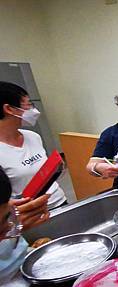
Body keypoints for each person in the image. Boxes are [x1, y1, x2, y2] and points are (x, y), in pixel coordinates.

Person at [0, 81, 67, 210]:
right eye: (29, 105)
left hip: (59, 201)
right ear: (9, 109)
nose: (34, 110)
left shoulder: (32, 136)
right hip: (32, 213)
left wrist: (56, 169)